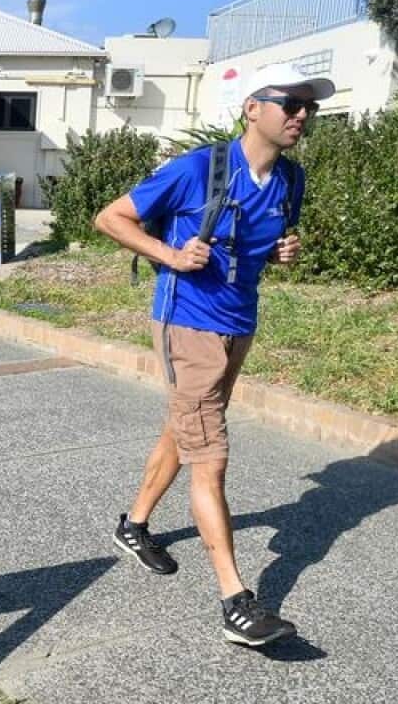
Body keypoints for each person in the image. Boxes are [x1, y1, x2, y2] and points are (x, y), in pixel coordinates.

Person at [94, 62, 332, 648]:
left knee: (188, 427)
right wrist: (170, 255)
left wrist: (277, 253)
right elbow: (110, 217)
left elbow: (252, 245)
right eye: (291, 104)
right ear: (253, 108)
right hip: (187, 323)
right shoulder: (198, 168)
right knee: (211, 456)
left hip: (239, 324)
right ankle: (236, 602)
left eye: (309, 107)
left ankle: (133, 525)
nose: (302, 115)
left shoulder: (291, 180)